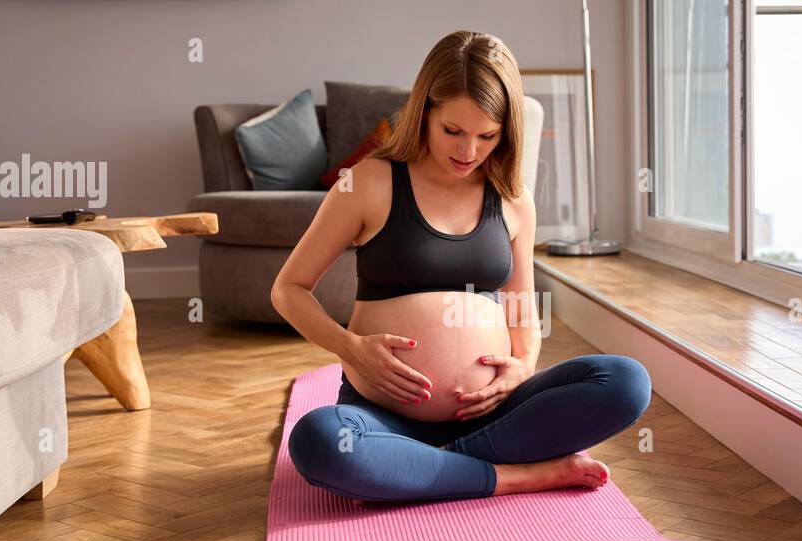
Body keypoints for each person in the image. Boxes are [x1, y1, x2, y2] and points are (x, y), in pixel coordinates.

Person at [272, 30, 651, 502]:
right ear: (424, 112)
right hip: (381, 414)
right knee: (321, 441)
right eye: (453, 131)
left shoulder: (513, 198)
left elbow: (520, 308)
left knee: (626, 382)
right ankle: (517, 475)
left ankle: (427, 468)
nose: (468, 151)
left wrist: (522, 366)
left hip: (494, 413)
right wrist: (351, 348)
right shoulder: (369, 182)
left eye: (487, 136)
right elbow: (289, 289)